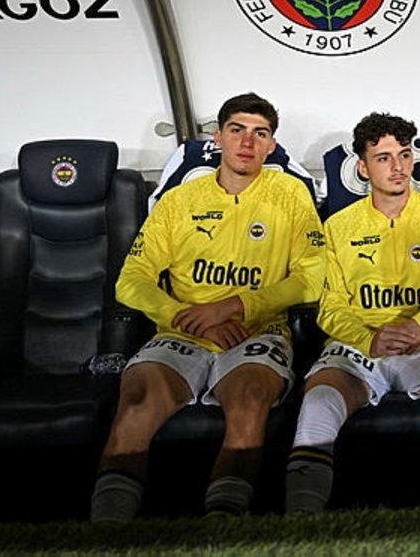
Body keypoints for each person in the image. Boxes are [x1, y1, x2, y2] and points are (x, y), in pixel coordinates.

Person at [91, 93, 325, 521]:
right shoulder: (179, 200)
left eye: (260, 133)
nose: (247, 142)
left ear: (272, 145)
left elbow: (313, 277)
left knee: (251, 399)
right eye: (237, 130)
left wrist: (235, 306)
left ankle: (222, 527)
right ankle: (108, 530)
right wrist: (187, 319)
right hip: (181, 330)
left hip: (256, 331)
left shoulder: (291, 194)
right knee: (137, 401)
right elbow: (131, 280)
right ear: (217, 138)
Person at [285, 113, 420, 512]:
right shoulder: (337, 226)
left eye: (404, 154)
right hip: (359, 346)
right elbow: (330, 306)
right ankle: (301, 523)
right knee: (318, 403)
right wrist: (369, 337)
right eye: (383, 158)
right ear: (362, 167)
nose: (398, 166)